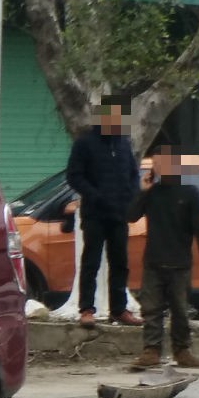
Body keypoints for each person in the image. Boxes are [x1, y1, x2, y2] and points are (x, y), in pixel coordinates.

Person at [127, 144, 199, 370]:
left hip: (180, 263)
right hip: (153, 261)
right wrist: (142, 191)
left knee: (180, 309)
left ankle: (182, 351)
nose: (158, 167)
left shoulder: (190, 193)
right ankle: (151, 351)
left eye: (162, 163)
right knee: (151, 309)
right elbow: (130, 215)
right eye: (155, 163)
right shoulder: (152, 193)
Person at [66, 96, 143, 328]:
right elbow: (74, 176)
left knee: (120, 262)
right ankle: (87, 309)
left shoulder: (123, 143)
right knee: (91, 261)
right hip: (95, 214)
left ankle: (118, 309)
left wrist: (131, 198)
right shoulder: (85, 143)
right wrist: (95, 195)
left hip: (119, 215)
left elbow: (132, 174)